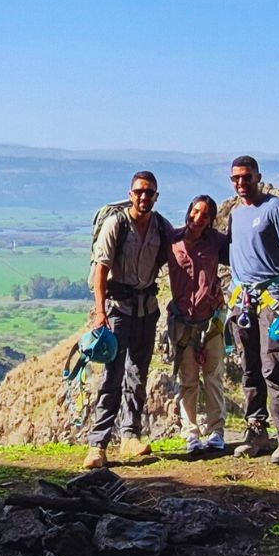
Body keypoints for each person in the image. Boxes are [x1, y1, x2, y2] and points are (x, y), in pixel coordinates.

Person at [227, 155, 279, 465]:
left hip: (272, 302)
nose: (241, 183)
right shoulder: (235, 215)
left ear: (258, 177)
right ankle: (257, 432)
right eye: (235, 178)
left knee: (272, 367)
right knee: (249, 370)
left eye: (246, 177)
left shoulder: (276, 209)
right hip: (242, 303)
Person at [84, 170, 171, 468]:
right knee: (112, 375)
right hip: (117, 310)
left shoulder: (161, 227)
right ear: (130, 193)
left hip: (147, 309)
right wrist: (100, 312)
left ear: (156, 197)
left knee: (138, 374)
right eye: (139, 192)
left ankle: (130, 436)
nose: (144, 197)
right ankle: (98, 445)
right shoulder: (116, 224)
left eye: (149, 193)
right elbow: (101, 271)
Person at [166, 194, 229, 454]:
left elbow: (244, 255)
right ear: (189, 211)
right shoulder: (172, 241)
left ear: (211, 219)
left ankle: (216, 432)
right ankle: (190, 434)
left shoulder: (217, 242)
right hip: (182, 321)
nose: (198, 218)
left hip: (212, 318)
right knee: (188, 379)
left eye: (204, 214)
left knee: (213, 376)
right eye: (195, 211)